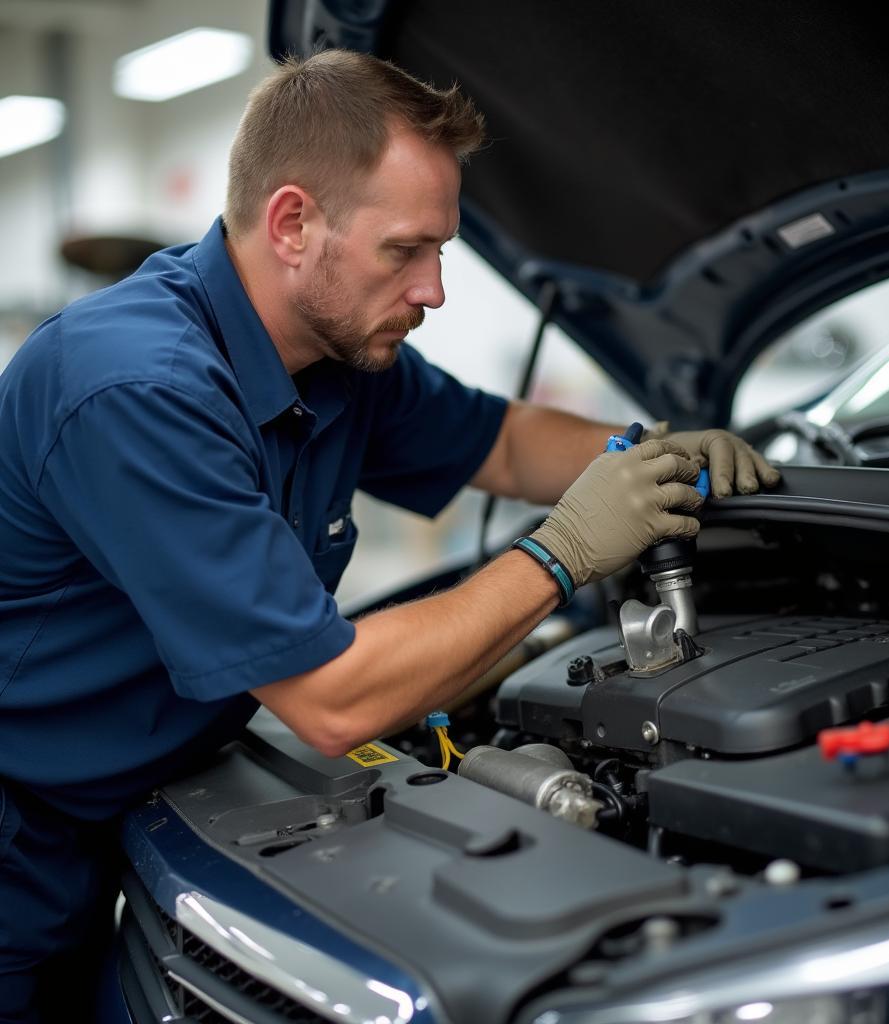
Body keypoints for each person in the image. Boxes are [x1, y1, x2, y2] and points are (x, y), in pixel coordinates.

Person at [0, 49, 778, 1023]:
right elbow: (329, 702)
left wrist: (652, 455)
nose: (434, 290)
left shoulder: (338, 355)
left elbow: (505, 440)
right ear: (292, 223)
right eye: (405, 251)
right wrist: (565, 548)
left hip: (110, 807)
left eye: (441, 252)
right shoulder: (136, 387)